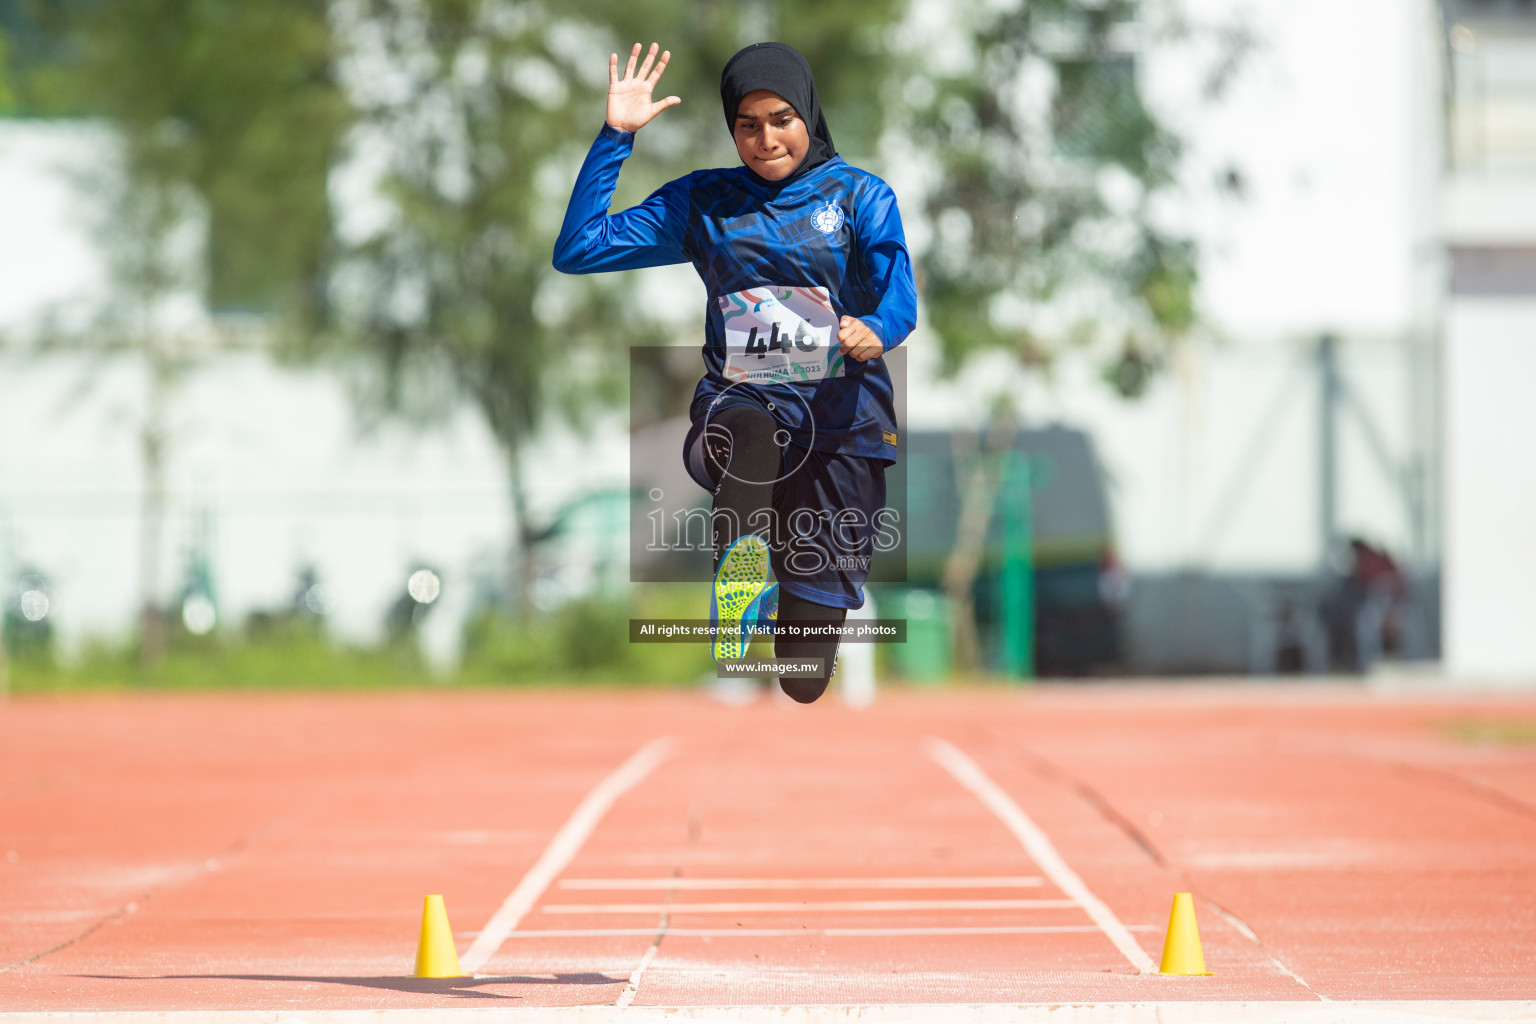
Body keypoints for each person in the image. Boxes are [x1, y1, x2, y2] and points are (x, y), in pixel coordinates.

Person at [553, 41, 916, 703]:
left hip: (841, 430)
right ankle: (740, 581)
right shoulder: (707, 203)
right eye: (747, 124)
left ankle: (792, 581)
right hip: (741, 403)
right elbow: (579, 249)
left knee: (803, 680)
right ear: (731, 128)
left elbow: (901, 299)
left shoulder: (862, 198)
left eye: (780, 119)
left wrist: (876, 329)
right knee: (747, 436)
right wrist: (615, 135)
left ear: (807, 113)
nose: (765, 138)